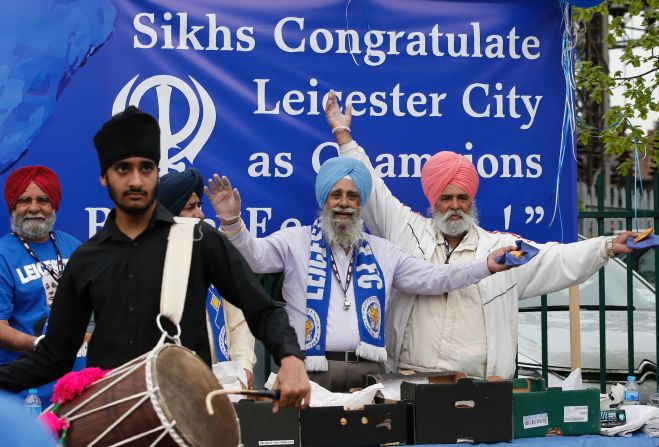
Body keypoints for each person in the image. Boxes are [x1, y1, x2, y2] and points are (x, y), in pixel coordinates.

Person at [0, 106, 309, 412]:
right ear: (104, 178)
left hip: (190, 418)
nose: (135, 180)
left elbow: (262, 310)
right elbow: (54, 356)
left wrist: (291, 358)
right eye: (123, 169)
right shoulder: (86, 258)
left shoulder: (199, 240)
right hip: (112, 421)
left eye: (145, 168)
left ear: (156, 173)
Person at [324, 91, 639, 378]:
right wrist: (343, 134)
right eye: (446, 199)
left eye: (462, 199)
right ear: (433, 201)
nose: (454, 207)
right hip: (409, 379)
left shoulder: (499, 248)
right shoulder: (406, 231)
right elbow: (373, 188)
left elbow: (554, 259)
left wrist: (608, 246)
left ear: (471, 201)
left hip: (480, 386)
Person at [205, 157, 518, 392]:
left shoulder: (383, 251)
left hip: (369, 373)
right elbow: (255, 259)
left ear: (361, 203)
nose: (344, 203)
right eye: (336, 194)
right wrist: (232, 223)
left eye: (352, 196)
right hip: (311, 371)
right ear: (324, 199)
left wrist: (484, 266)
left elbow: (435, 278)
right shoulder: (294, 241)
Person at [158, 167, 256, 388]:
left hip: (223, 384)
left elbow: (239, 322)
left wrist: (244, 364)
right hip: (170, 384)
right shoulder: (151, 266)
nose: (200, 214)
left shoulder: (213, 258)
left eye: (199, 206)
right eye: (190, 208)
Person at [0, 166, 81, 403]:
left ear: (53, 205)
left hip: (74, 385)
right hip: (25, 391)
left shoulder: (75, 247)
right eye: (24, 200)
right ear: (13, 206)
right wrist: (39, 344)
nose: (34, 208)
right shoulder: (3, 255)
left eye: (43, 200)